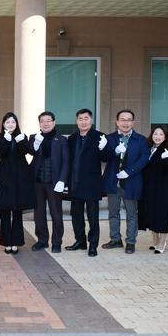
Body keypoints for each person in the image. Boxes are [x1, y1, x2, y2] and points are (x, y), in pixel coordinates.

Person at [101, 110, 149, 254]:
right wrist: (114, 151)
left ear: (133, 122)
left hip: (132, 181)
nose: (125, 122)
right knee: (113, 212)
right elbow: (103, 157)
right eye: (122, 119)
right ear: (117, 122)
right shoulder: (109, 138)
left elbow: (144, 158)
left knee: (131, 213)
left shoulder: (141, 140)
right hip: (113, 181)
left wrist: (129, 171)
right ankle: (115, 239)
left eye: (129, 120)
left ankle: (131, 242)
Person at [64, 108, 109, 257]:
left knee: (92, 217)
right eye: (80, 119)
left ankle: (93, 245)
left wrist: (104, 148)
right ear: (77, 121)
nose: (83, 121)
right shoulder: (72, 139)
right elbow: (68, 161)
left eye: (86, 118)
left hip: (91, 184)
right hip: (75, 183)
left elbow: (106, 158)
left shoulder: (100, 136)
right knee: (76, 216)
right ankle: (80, 241)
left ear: (91, 120)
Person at [28, 111, 69, 253]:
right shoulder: (34, 137)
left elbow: (66, 162)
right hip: (37, 182)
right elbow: (30, 152)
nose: (45, 123)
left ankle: (57, 242)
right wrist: (35, 144)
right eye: (42, 121)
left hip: (54, 183)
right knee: (38, 214)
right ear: (39, 123)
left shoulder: (61, 139)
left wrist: (62, 180)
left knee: (56, 214)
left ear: (54, 122)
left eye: (48, 120)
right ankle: (42, 240)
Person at [0, 112, 34, 254]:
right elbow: (2, 153)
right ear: (3, 124)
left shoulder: (22, 136)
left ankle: (16, 242)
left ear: (16, 124)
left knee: (17, 211)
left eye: (13, 122)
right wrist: (6, 140)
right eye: (8, 122)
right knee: (5, 210)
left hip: (19, 177)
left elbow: (26, 152)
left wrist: (21, 141)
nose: (10, 124)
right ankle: (6, 242)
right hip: (5, 177)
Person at [137, 125, 168, 254]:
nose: (157, 137)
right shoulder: (149, 147)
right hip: (149, 187)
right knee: (151, 213)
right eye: (155, 134)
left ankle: (162, 242)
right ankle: (155, 240)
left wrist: (167, 159)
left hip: (163, 189)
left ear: (165, 136)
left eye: (161, 134)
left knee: (162, 215)